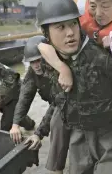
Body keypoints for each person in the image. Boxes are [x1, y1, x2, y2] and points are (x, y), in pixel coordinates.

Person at [25, 0, 112, 174]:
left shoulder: (102, 59)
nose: (70, 33)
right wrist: (39, 132)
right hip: (79, 136)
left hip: (108, 137)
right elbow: (58, 102)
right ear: (46, 33)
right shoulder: (48, 63)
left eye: (73, 24)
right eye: (60, 27)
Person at [10, 36, 69, 174]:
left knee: (63, 133)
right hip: (56, 105)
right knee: (57, 132)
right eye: (31, 62)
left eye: (38, 60)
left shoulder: (58, 68)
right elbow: (24, 98)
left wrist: (38, 134)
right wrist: (15, 124)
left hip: (68, 104)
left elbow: (57, 102)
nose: (36, 65)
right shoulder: (32, 73)